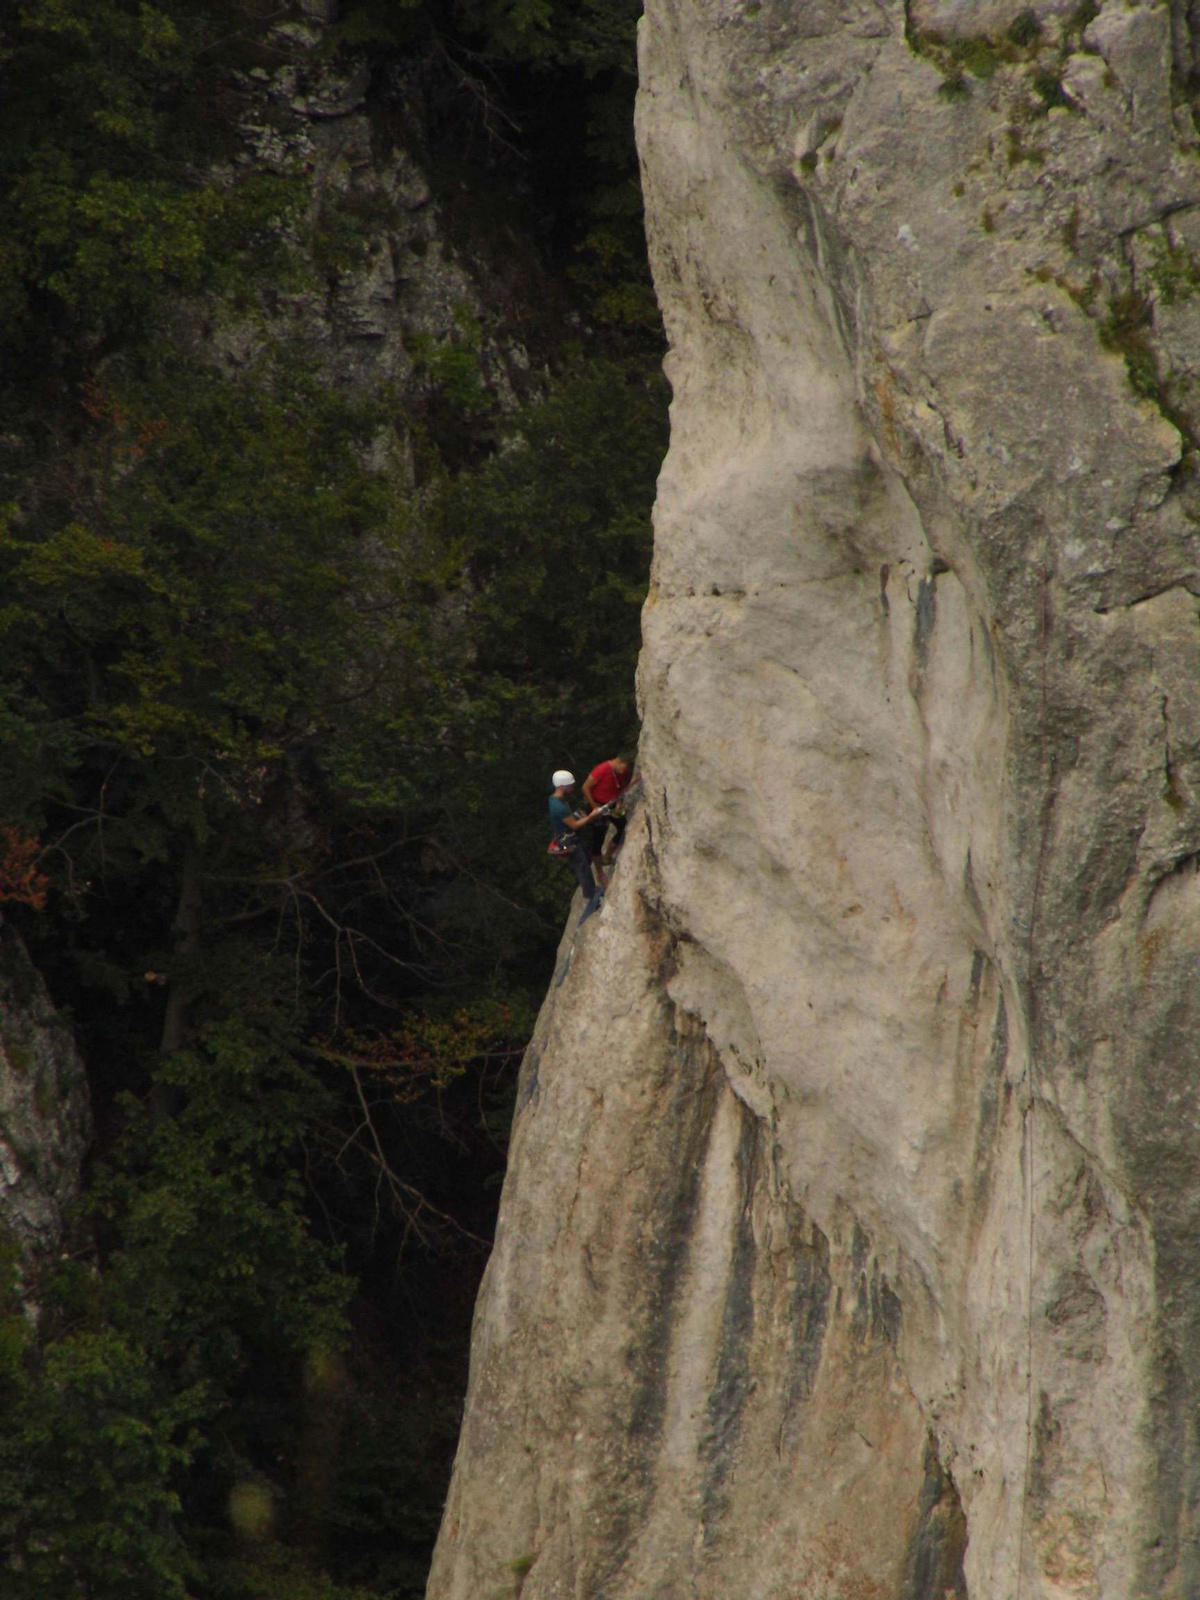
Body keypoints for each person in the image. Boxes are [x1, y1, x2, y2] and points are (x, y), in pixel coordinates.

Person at [548, 769, 607, 913]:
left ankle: (591, 891)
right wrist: (591, 816)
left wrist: (577, 815)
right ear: (562, 786)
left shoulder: (555, 799)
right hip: (568, 841)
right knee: (582, 867)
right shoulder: (559, 807)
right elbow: (574, 825)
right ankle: (592, 896)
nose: (572, 788)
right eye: (570, 785)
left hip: (569, 835)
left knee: (586, 858)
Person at [582, 751, 636, 862]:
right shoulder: (602, 769)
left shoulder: (622, 772)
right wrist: (594, 806)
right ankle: (598, 866)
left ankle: (607, 855)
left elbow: (621, 788)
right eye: (623, 768)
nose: (623, 772)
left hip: (611, 804)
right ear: (620, 763)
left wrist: (619, 804)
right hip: (597, 804)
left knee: (622, 827)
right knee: (598, 837)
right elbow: (585, 787)